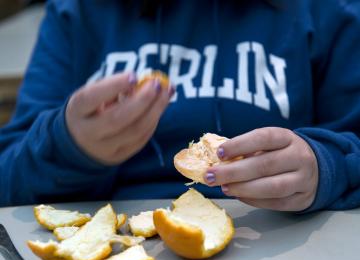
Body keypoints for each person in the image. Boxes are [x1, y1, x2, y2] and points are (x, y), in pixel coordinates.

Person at [0, 0, 359, 212]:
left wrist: (324, 167)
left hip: (285, 242)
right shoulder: (78, 12)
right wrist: (67, 147)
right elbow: (8, 178)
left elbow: (351, 145)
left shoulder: (328, 10)